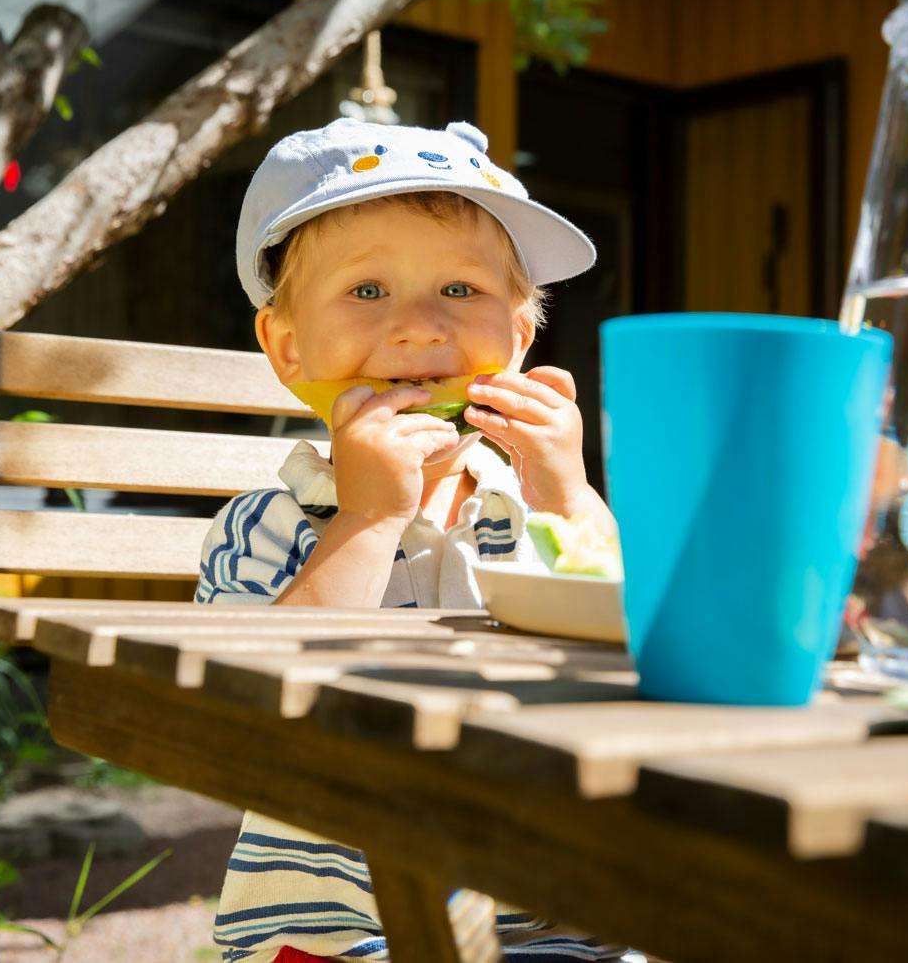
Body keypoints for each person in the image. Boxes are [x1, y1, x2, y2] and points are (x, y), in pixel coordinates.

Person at [197, 118, 622, 962]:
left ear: (521, 338)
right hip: (336, 935)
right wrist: (366, 520)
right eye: (367, 292)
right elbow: (242, 728)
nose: (423, 327)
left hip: (548, 927)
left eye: (461, 291)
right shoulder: (266, 527)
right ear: (287, 347)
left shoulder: (536, 513)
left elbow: (635, 646)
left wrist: (572, 497)